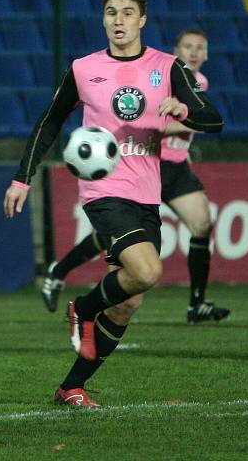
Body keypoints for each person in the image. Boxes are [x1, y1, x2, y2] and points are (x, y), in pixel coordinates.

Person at [4, 0, 222, 407]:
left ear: (142, 20)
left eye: (127, 13)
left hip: (146, 195)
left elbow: (213, 118)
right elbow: (49, 123)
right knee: (148, 270)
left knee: (129, 301)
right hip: (103, 191)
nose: (118, 20)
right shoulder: (84, 69)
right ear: (103, 20)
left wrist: (184, 111)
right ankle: (84, 308)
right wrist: (22, 178)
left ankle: (71, 387)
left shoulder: (168, 66)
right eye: (110, 12)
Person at [39, 28, 230, 325]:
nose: (193, 52)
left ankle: (197, 303)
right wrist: (185, 118)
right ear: (176, 50)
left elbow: (200, 123)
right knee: (113, 240)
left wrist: (185, 127)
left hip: (176, 168)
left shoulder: (198, 83)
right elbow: (153, 122)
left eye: (199, 48)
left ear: (206, 54)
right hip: (142, 163)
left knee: (202, 223)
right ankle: (64, 276)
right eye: (187, 46)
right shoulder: (160, 72)